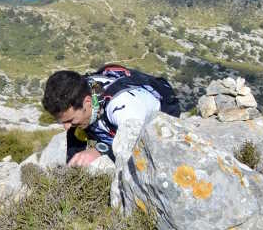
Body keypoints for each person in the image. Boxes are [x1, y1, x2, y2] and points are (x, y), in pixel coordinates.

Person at [41, 64, 180, 166]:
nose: (66, 126)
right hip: (100, 118)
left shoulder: (124, 109)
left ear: (87, 102)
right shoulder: (79, 91)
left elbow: (136, 148)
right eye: (62, 121)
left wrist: (100, 151)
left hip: (150, 128)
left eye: (69, 120)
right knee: (75, 134)